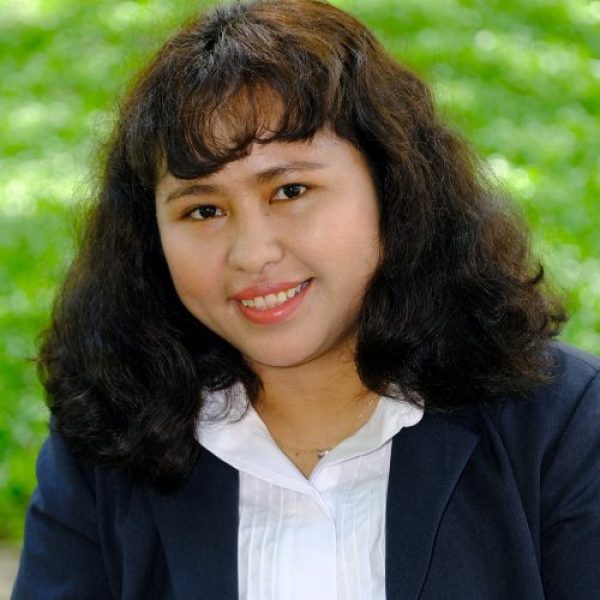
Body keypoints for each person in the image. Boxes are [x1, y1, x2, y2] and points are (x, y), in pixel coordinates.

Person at [12, 1, 600, 598]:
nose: (252, 254)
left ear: (394, 187)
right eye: (204, 210)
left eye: (290, 190)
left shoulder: (565, 426)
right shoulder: (109, 442)